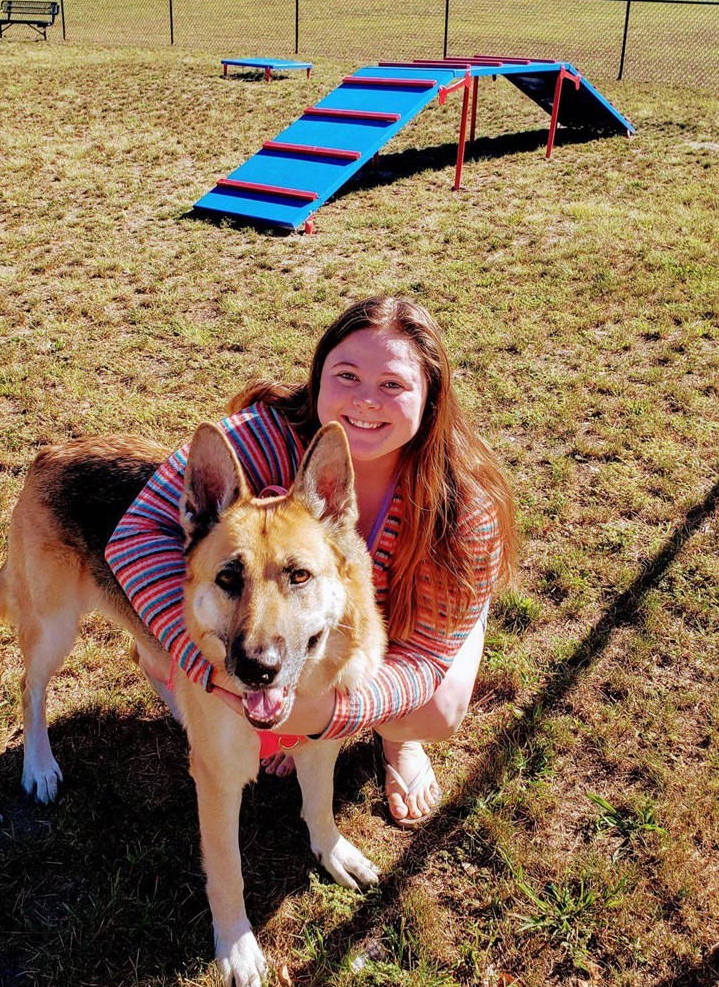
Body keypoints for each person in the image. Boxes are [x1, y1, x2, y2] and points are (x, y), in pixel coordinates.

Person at [105, 296, 517, 828]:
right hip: (305, 602)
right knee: (171, 654)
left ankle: (400, 744)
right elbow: (136, 533)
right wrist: (193, 651)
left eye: (393, 385)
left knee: (436, 710)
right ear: (318, 376)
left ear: (431, 397)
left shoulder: (463, 510)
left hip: (415, 609)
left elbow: (425, 661)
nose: (367, 401)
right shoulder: (261, 436)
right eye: (347, 375)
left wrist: (326, 717)